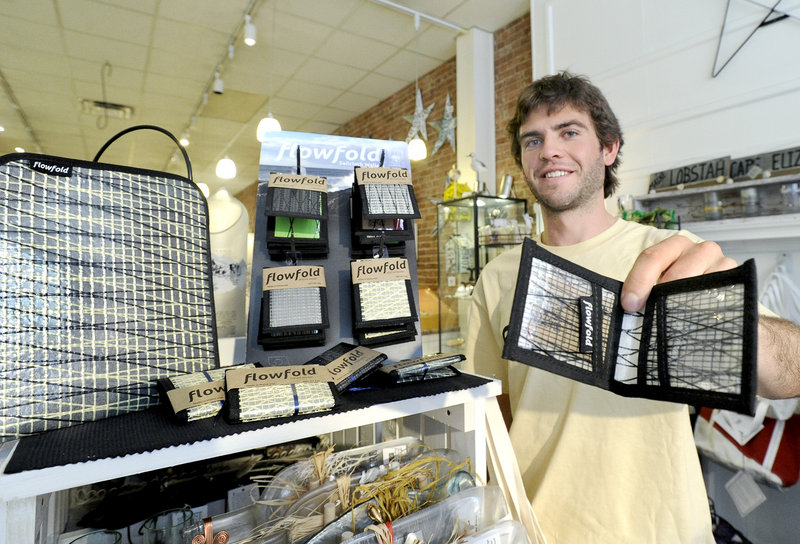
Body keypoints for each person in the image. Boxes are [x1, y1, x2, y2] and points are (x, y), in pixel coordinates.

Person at [463, 71, 800, 542]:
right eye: (532, 139)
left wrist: (739, 327)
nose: (549, 150)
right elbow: (491, 415)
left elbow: (790, 374)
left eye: (569, 132)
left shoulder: (675, 253)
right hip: (539, 530)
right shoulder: (496, 278)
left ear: (609, 149)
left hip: (665, 528)